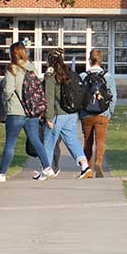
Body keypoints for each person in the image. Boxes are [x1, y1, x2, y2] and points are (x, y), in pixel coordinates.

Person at [0, 42, 56, 183]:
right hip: (32, 112)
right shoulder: (32, 68)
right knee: (36, 140)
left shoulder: (12, 68)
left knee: (10, 143)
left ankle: (1, 173)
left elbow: (8, 90)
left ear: (12, 53)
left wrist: (4, 100)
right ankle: (47, 167)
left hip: (16, 111)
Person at [34, 49, 93, 180]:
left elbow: (49, 97)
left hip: (57, 114)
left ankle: (46, 170)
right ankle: (85, 166)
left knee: (48, 143)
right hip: (71, 114)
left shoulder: (51, 74)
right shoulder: (69, 72)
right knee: (72, 140)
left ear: (49, 60)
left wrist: (48, 117)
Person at [79, 49, 117, 178]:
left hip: (86, 114)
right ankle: (99, 162)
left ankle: (88, 169)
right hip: (103, 113)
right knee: (100, 140)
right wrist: (109, 112)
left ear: (90, 60)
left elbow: (79, 96)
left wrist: (81, 113)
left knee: (87, 141)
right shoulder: (108, 76)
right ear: (101, 60)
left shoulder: (83, 76)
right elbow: (113, 96)